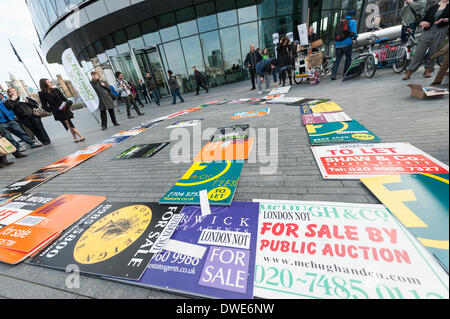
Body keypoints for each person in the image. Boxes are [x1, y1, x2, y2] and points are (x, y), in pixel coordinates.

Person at [403, 0, 449, 80]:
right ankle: (410, 70)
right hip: (428, 31)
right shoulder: (433, 7)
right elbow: (423, 19)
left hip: (441, 31)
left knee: (433, 52)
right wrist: (422, 23)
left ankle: (429, 69)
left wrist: (445, 20)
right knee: (419, 51)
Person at [39, 78, 85, 144]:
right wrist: (52, 110)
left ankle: (76, 138)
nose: (50, 83)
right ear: (44, 84)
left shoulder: (55, 90)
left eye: (49, 82)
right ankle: (80, 136)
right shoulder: (42, 94)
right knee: (69, 123)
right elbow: (44, 105)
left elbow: (64, 99)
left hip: (64, 108)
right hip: (57, 112)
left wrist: (65, 105)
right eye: (48, 82)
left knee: (69, 123)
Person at [331, 10, 358, 80]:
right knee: (348, 58)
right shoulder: (352, 22)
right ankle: (345, 74)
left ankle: (333, 75)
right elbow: (353, 33)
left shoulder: (340, 22)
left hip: (338, 44)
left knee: (337, 60)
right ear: (353, 16)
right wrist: (355, 37)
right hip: (347, 43)